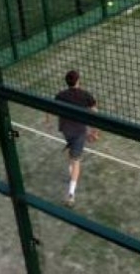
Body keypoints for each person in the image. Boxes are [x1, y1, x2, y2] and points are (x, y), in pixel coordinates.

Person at [54, 70, 99, 207]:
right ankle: (71, 194)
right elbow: (95, 113)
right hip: (79, 131)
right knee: (76, 162)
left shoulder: (60, 95)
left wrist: (47, 120)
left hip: (65, 130)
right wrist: (94, 131)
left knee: (71, 151)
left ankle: (71, 172)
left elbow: (53, 109)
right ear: (78, 80)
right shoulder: (86, 95)